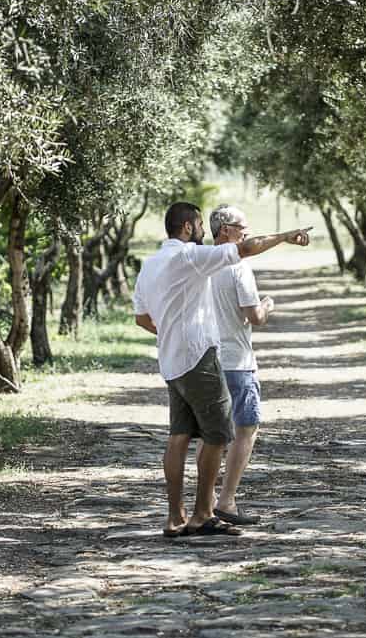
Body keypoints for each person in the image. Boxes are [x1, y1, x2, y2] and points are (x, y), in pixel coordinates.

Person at [133, 201, 310, 538]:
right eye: (199, 225)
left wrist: (170, 332)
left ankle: (175, 519)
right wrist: (286, 236)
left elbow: (142, 317)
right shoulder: (189, 257)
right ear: (187, 227)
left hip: (171, 362)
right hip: (199, 357)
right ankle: (202, 514)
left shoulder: (150, 264)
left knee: (178, 437)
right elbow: (244, 249)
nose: (202, 231)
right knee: (217, 436)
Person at [208, 204, 271, 526]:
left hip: (205, 360)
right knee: (246, 429)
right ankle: (227, 500)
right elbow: (254, 317)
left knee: (212, 435)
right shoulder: (239, 267)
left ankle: (203, 506)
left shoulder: (199, 264)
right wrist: (267, 305)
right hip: (238, 361)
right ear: (225, 230)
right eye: (241, 226)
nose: (246, 230)